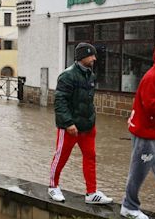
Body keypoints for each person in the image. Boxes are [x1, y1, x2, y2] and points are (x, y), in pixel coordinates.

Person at [48, 42, 113, 204]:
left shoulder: (91, 75)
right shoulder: (67, 76)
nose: (94, 58)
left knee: (90, 157)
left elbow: (88, 101)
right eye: (91, 55)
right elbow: (60, 101)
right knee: (61, 157)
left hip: (88, 127)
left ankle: (91, 193)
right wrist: (68, 123)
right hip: (70, 127)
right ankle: (53, 186)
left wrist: (92, 121)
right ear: (82, 57)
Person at [121, 44, 155, 219]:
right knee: (138, 171)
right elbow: (153, 105)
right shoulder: (152, 77)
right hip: (146, 134)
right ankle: (129, 206)